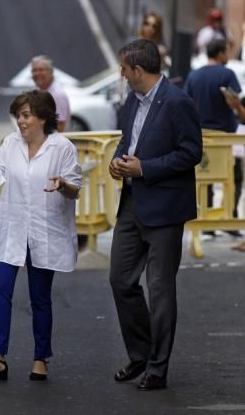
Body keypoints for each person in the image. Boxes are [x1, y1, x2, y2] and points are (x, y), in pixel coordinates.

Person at [0, 90, 82, 382]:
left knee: (40, 298)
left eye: (26, 115)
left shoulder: (62, 147)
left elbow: (75, 188)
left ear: (43, 117)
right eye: (18, 115)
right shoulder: (10, 144)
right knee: (0, 291)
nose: (21, 121)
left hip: (44, 231)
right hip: (12, 229)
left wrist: (63, 184)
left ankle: (41, 357)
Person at [109, 39, 202, 391]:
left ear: (137, 70)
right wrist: (118, 162)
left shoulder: (178, 102)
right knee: (120, 280)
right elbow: (126, 140)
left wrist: (145, 168)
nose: (121, 74)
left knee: (160, 289)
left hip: (165, 207)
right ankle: (141, 354)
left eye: (123, 69)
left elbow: (191, 152)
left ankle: (157, 368)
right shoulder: (132, 100)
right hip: (132, 203)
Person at [184, 39, 243, 238]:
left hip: (201, 136)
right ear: (219, 53)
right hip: (225, 137)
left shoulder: (194, 75)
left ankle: (206, 221)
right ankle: (230, 217)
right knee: (233, 177)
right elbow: (235, 102)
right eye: (226, 51)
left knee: (205, 177)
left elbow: (187, 103)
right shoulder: (227, 74)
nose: (228, 55)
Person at [31, 55, 70, 132]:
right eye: (34, 70)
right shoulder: (40, 91)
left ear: (51, 72)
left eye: (41, 70)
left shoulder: (57, 95)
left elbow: (60, 127)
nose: (37, 73)